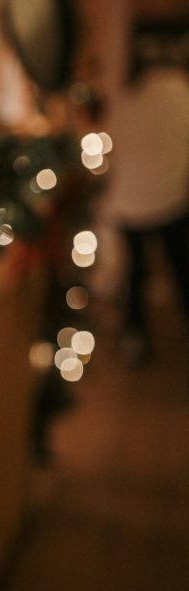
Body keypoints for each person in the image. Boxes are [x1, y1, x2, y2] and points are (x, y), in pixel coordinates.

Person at [109, 51, 189, 365]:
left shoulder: (131, 99)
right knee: (180, 265)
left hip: (128, 202)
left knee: (136, 271)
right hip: (171, 199)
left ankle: (135, 335)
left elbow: (114, 142)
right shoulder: (182, 96)